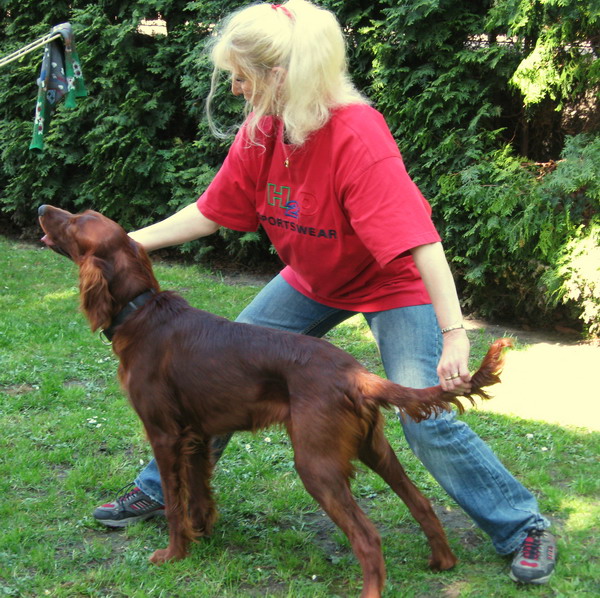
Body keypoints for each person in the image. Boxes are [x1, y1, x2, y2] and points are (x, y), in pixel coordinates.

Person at [93, 0, 556, 585]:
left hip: (391, 283)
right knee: (215, 369)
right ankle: (164, 492)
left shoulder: (357, 137)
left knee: (426, 418)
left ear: (279, 75)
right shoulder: (264, 130)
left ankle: (522, 526)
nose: (235, 89)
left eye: (242, 76)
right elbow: (209, 212)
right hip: (312, 279)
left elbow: (421, 244)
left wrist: (453, 333)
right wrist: (122, 245)